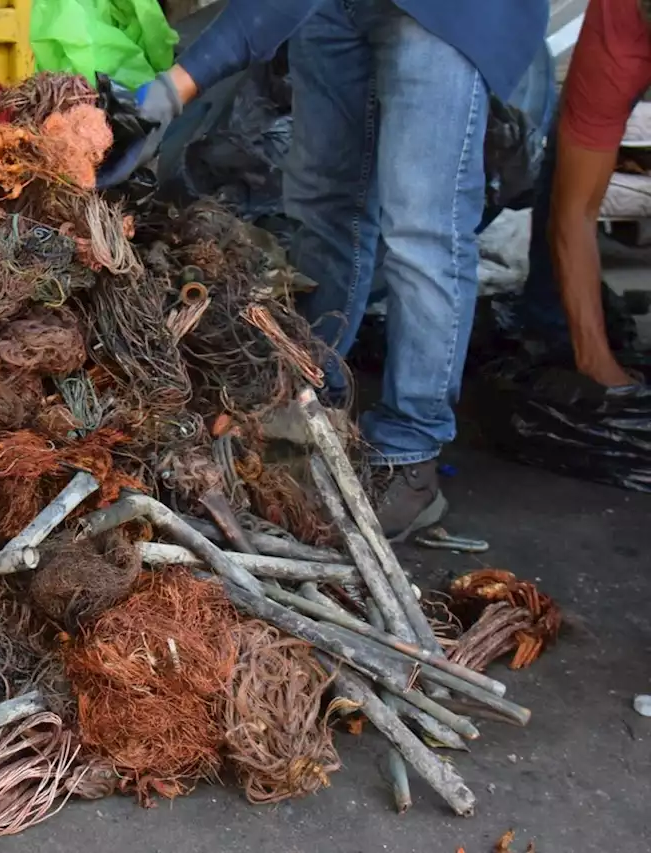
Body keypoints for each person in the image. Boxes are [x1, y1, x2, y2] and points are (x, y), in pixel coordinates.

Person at [105, 0, 548, 539]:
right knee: (321, 202)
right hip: (338, 7)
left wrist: (176, 88)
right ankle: (314, 400)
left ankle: (410, 453)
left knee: (421, 225)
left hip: (447, 11)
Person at [520, 0, 651, 389]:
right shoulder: (619, 27)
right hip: (625, 37)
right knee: (566, 181)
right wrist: (599, 367)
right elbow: (574, 213)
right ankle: (558, 334)